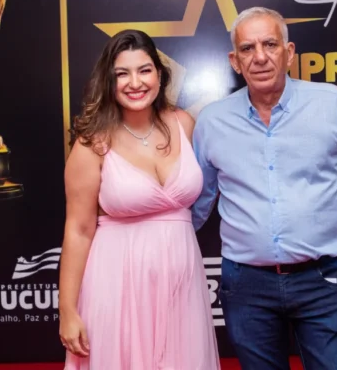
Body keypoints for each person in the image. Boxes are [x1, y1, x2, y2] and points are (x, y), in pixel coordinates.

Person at [192, 7, 337, 370]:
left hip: (322, 281)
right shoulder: (212, 121)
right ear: (234, 61)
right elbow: (196, 202)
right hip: (246, 286)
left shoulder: (332, 104)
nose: (260, 57)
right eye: (247, 48)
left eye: (270, 44)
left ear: (289, 52)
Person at [58, 29, 221, 369]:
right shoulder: (93, 143)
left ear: (160, 75)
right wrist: (68, 311)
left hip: (181, 285)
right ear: (109, 80)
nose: (135, 83)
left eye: (144, 70)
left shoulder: (184, 124)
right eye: (122, 73)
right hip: (117, 284)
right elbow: (78, 230)